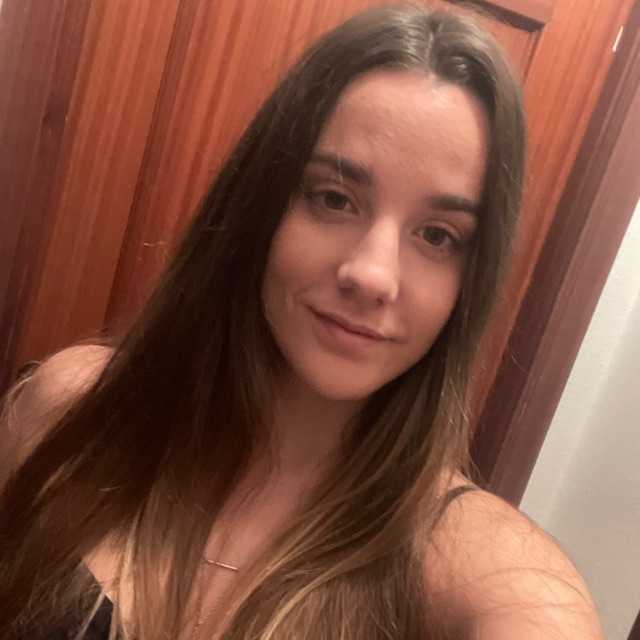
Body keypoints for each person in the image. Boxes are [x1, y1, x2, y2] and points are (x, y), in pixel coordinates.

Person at [0, 5, 603, 640]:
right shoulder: (69, 412)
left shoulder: (483, 574)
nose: (372, 274)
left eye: (437, 235)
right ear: (259, 205)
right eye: (334, 198)